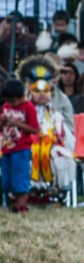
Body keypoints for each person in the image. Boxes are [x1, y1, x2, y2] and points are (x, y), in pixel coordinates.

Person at [27, 78, 76, 204]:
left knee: (61, 156)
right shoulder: (24, 114)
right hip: (27, 147)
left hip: (52, 147)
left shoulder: (56, 115)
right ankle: (29, 192)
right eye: (37, 91)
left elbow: (64, 138)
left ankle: (58, 193)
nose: (42, 94)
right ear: (30, 93)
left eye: (45, 91)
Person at [2, 78, 40, 213]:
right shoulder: (6, 106)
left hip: (22, 149)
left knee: (20, 177)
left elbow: (35, 130)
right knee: (7, 178)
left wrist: (17, 124)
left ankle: (22, 205)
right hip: (7, 147)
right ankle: (11, 200)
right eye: (8, 101)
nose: (11, 104)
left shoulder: (28, 107)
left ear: (21, 96)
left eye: (13, 101)